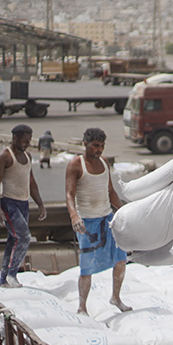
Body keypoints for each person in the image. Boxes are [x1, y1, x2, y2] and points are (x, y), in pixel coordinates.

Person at [65, 128, 131, 315]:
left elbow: (110, 190)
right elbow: (69, 194)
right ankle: (82, 306)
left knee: (121, 259)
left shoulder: (104, 162)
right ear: (85, 144)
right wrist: (74, 216)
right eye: (95, 146)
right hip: (86, 223)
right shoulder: (75, 165)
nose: (99, 150)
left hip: (107, 219)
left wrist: (123, 211)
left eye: (102, 146)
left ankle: (116, 297)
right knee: (87, 267)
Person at [0, 124, 47, 288]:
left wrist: (40, 204)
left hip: (24, 203)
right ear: (15, 138)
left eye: (29, 141)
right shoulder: (4, 156)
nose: (26, 144)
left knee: (12, 240)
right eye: (24, 141)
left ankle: (3, 280)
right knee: (23, 237)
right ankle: (12, 274)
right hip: (9, 203)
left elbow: (31, 182)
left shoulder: (28, 157)